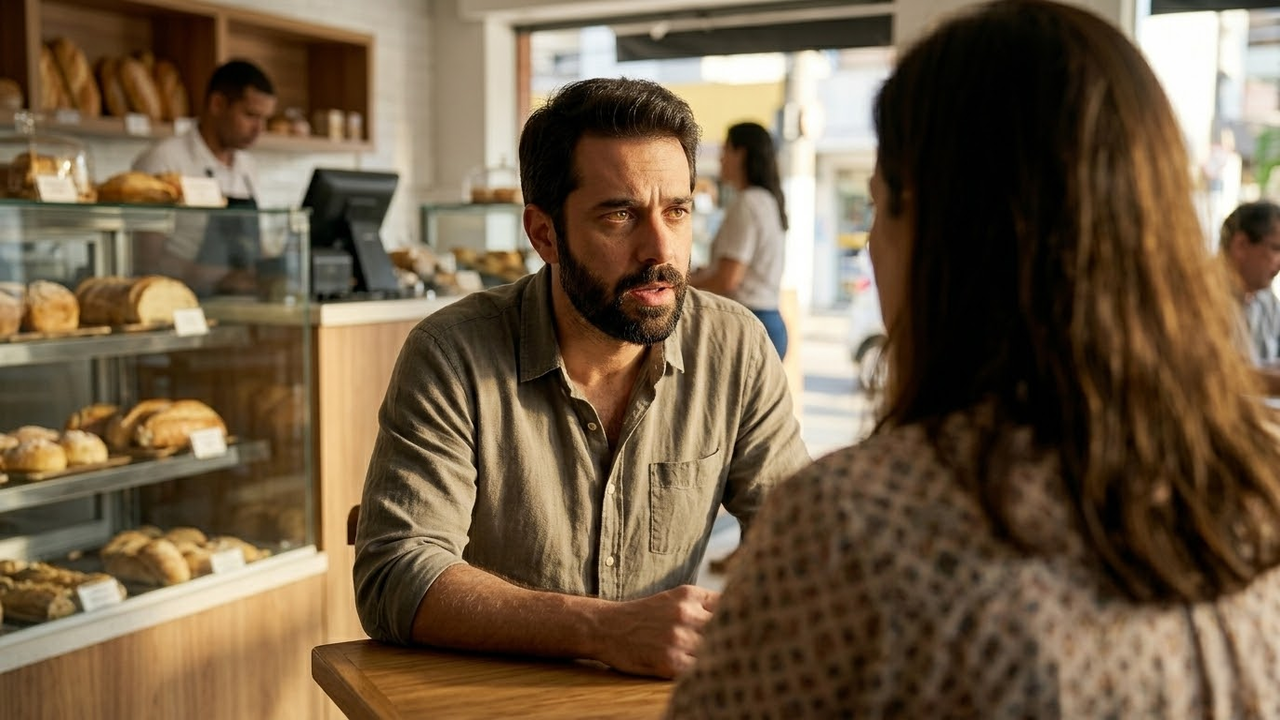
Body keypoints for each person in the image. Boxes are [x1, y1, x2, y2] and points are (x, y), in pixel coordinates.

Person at [669, 1, 1280, 716]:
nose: (871, 243)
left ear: (937, 232)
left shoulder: (859, 527)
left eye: (877, 207)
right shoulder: (1250, 494)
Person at [353, 77, 810, 680]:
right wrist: (603, 629)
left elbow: (800, 540)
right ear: (545, 234)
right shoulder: (451, 354)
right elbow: (393, 572)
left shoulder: (736, 346)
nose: (661, 249)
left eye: (677, 210)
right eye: (620, 215)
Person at [132, 59, 277, 295]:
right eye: (250, 115)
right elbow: (146, 259)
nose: (259, 129)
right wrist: (220, 278)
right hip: (180, 304)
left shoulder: (248, 167)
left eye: (265, 119)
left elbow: (257, 248)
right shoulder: (163, 160)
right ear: (218, 104)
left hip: (242, 309)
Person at [690, 122, 790, 359]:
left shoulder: (747, 203)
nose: (721, 160)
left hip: (749, 325)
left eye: (726, 151)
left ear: (741, 153)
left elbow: (728, 279)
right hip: (769, 321)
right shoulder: (766, 200)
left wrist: (684, 285)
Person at [1221, 201, 1280, 393]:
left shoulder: (1266, 299)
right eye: (1275, 248)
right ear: (1241, 245)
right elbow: (1217, 378)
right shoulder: (1203, 300)